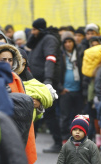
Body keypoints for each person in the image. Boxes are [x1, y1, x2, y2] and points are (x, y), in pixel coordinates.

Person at [27, 18, 63, 153]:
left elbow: (50, 60)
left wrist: (48, 80)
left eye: (34, 29)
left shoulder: (49, 39)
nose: (32, 32)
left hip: (44, 83)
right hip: (37, 82)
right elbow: (29, 45)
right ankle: (31, 143)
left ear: (40, 29)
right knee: (36, 113)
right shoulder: (39, 39)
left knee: (49, 114)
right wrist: (34, 35)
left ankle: (58, 142)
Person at [59, 31, 84, 142]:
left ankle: (78, 139)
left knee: (79, 117)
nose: (68, 44)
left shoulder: (79, 54)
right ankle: (64, 138)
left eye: (70, 41)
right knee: (64, 117)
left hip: (78, 91)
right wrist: (60, 88)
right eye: (66, 42)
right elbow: (55, 74)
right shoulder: (60, 55)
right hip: (66, 91)